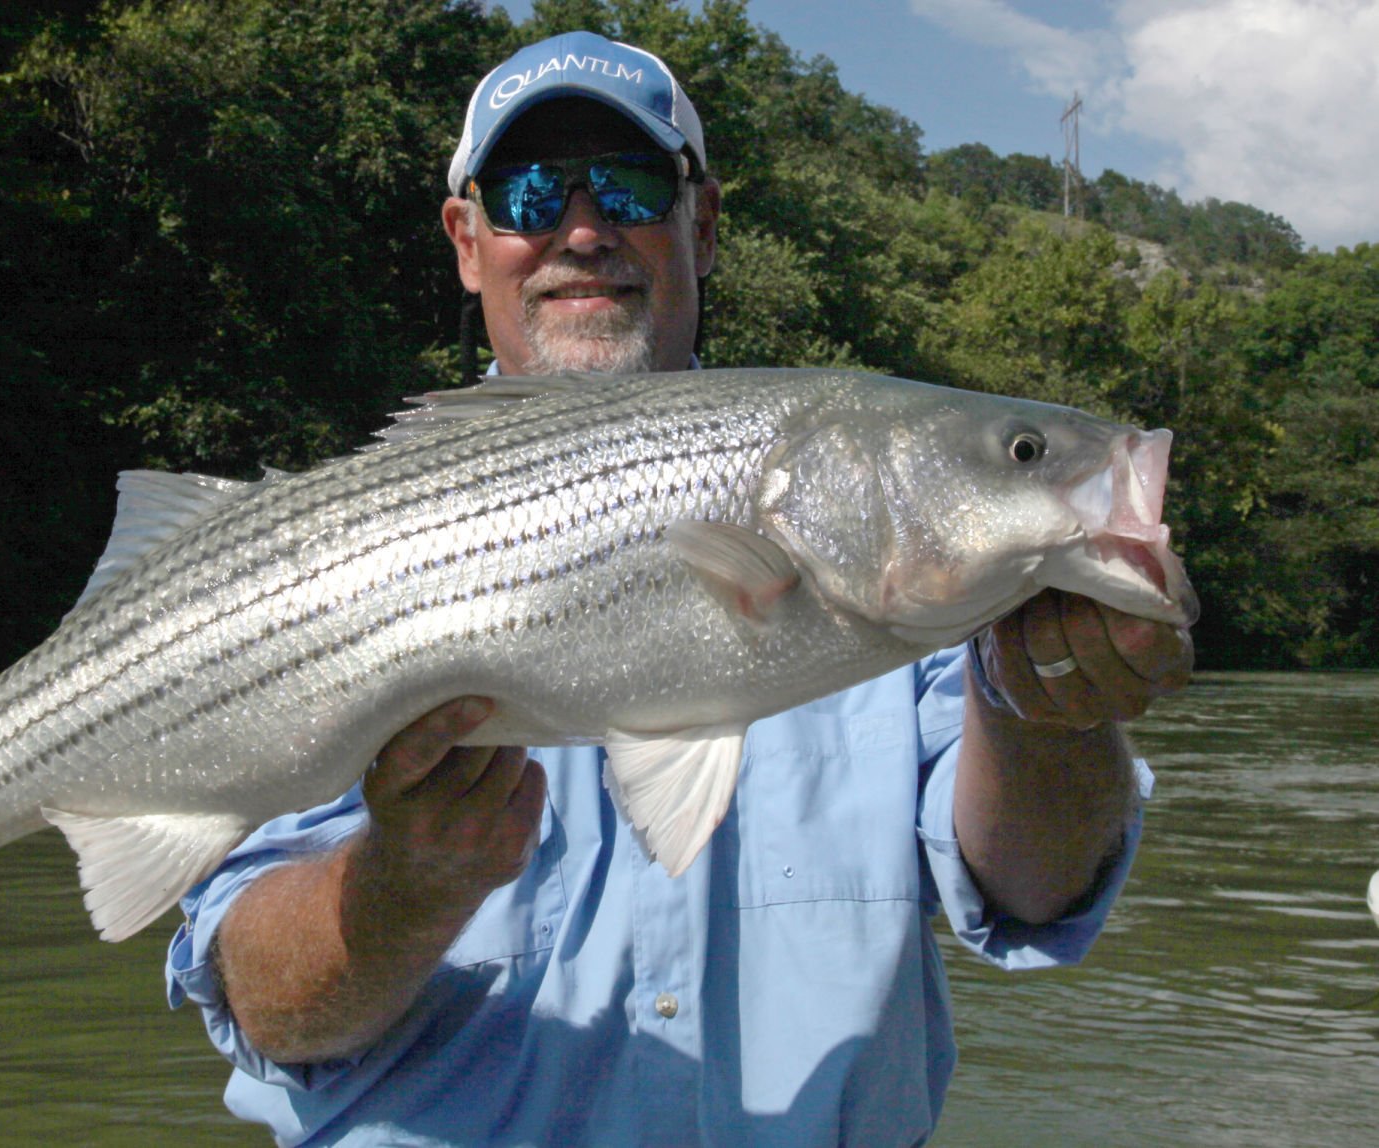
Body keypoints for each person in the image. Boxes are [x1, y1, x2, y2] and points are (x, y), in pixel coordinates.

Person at [167, 31, 1192, 1147]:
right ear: (467, 242)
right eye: (526, 193)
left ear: (700, 225)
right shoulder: (331, 546)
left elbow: (1035, 887)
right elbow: (266, 1003)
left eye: (628, 185)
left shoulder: (925, 585)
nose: (581, 229)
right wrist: (400, 885)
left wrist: (1048, 708)